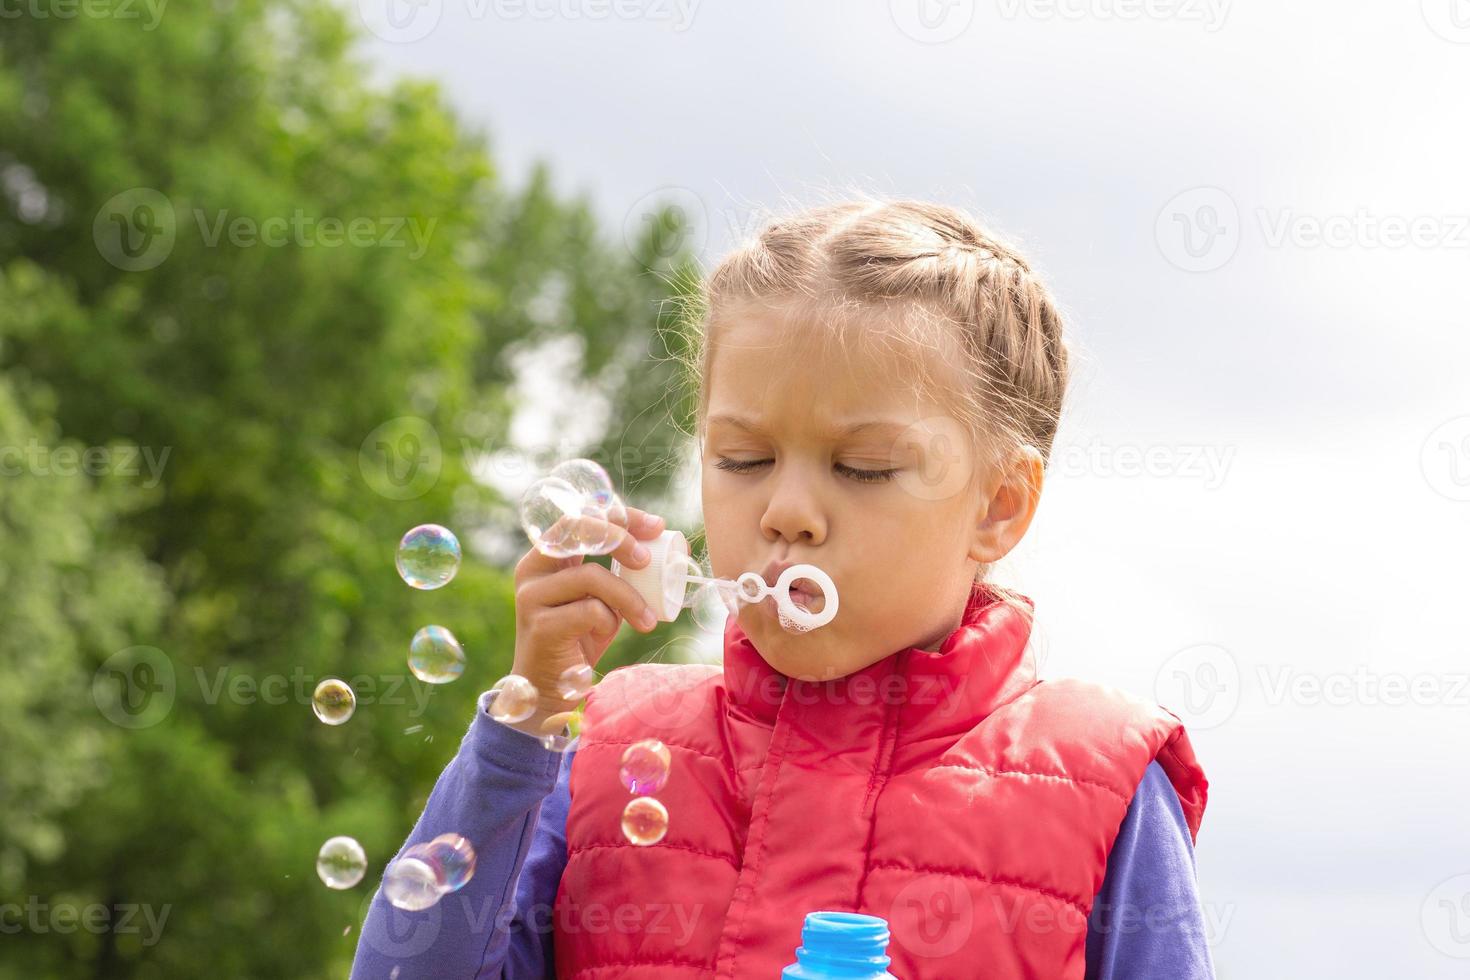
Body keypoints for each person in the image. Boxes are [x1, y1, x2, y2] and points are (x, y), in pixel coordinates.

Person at [351, 199, 1215, 979]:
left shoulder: (1100, 786)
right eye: (744, 460)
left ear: (999, 504)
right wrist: (530, 718)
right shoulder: (604, 755)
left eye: (862, 468)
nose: (787, 512)